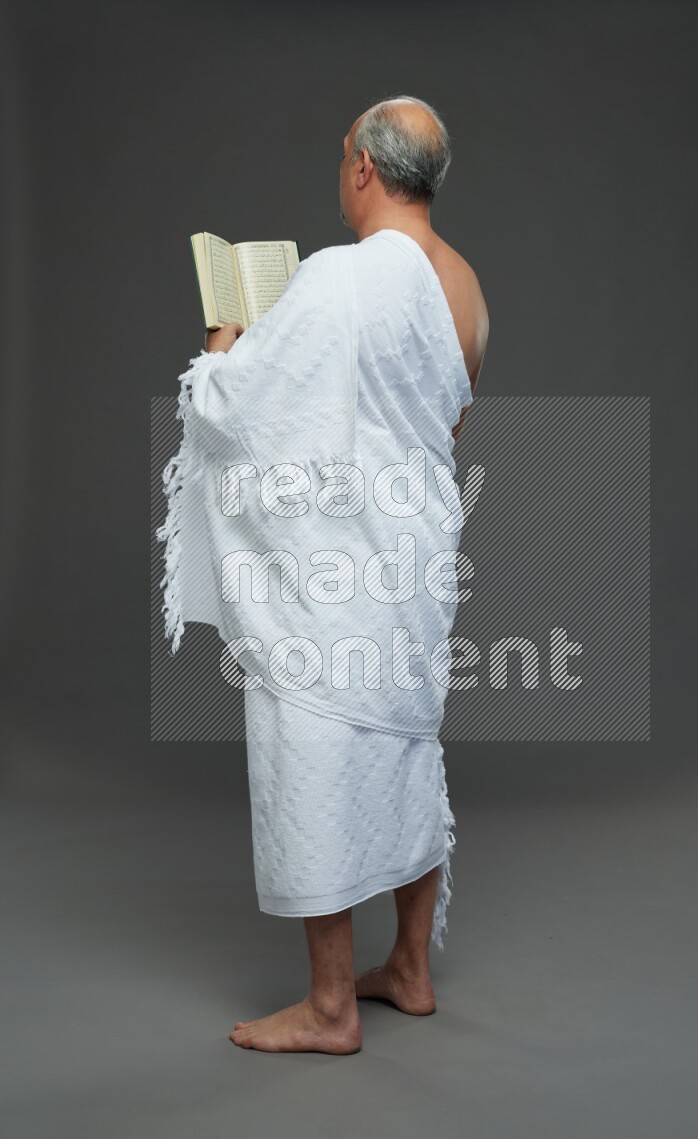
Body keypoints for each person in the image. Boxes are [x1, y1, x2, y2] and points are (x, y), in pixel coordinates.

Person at [164, 95, 488, 1054]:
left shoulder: (339, 276)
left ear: (362, 169)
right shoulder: (466, 284)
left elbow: (238, 405)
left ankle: (332, 1005)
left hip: (333, 572)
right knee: (406, 744)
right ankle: (410, 971)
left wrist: (223, 334)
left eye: (343, 157)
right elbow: (446, 422)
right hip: (415, 555)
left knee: (312, 744)